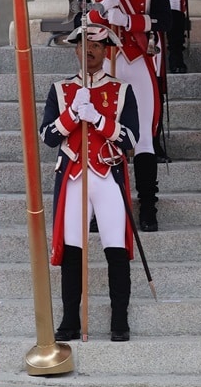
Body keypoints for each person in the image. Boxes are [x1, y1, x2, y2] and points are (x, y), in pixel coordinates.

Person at [41, 21, 139, 341]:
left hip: (107, 175)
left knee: (115, 247)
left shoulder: (122, 90)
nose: (89, 51)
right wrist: (72, 114)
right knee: (72, 250)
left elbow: (130, 138)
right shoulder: (60, 89)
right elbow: (48, 136)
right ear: (76, 50)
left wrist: (97, 118)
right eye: (83, 45)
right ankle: (70, 320)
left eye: (96, 45)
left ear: (105, 50)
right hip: (74, 176)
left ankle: (119, 321)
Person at [90, 0, 172, 232]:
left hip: (137, 62)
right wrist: (98, 11)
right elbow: (81, 25)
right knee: (104, 136)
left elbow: (165, 20)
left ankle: (148, 208)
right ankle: (103, 208)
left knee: (144, 141)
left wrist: (130, 21)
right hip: (107, 63)